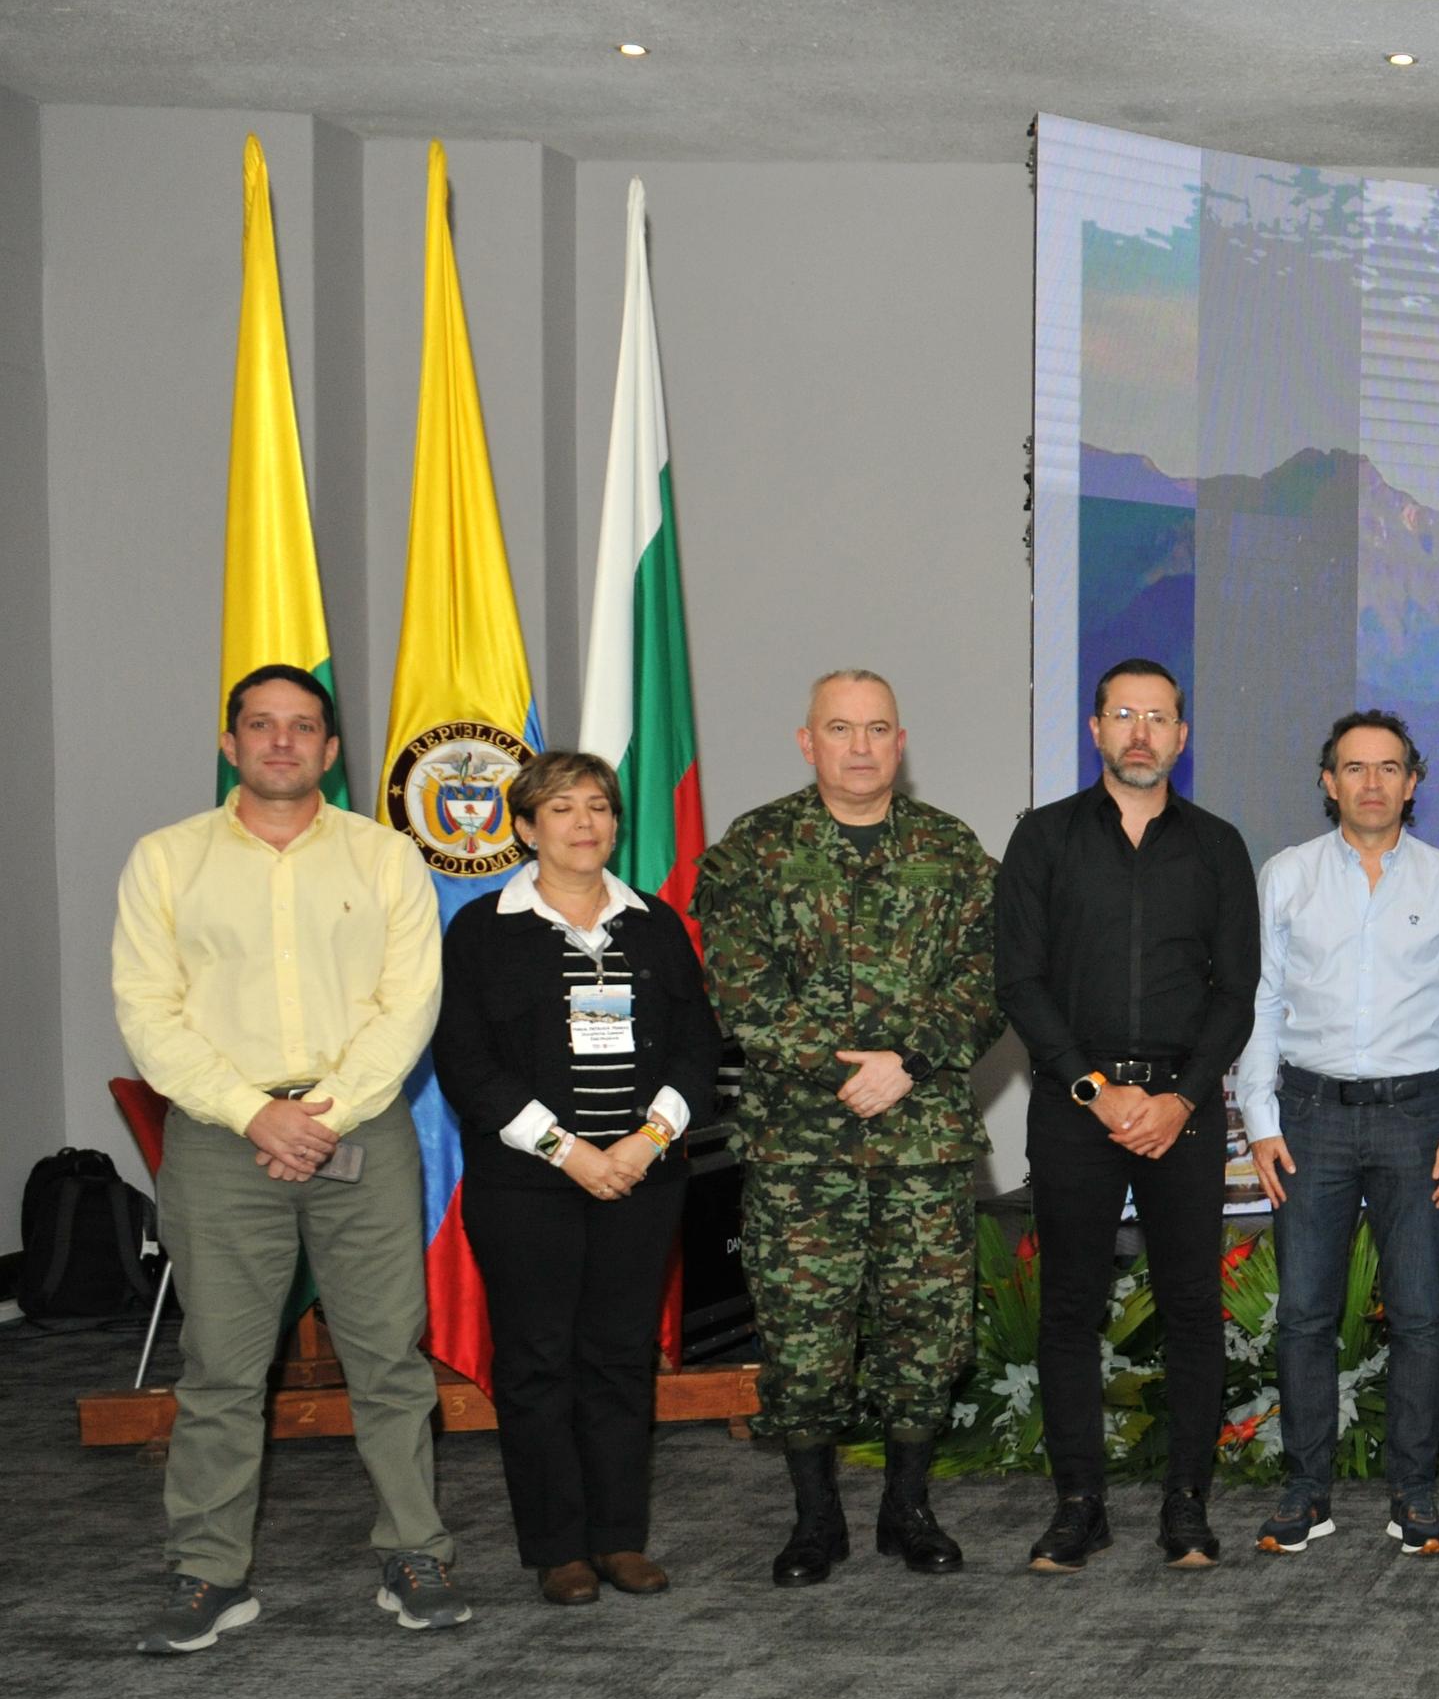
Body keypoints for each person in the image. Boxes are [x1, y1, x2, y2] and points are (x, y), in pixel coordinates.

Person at [110, 663, 463, 1652]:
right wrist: (255, 1113)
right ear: (230, 745)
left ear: (330, 749)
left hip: (363, 1133)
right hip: (224, 1143)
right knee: (221, 1366)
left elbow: (410, 1004)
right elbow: (149, 1012)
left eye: (300, 727)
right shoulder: (166, 860)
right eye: (259, 726)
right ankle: (210, 1572)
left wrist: (326, 1111)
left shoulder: (384, 857)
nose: (280, 742)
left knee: (388, 1359)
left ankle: (414, 1552)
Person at [695, 668, 1003, 1588]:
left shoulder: (952, 852)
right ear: (807, 741)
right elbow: (740, 995)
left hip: (923, 1141)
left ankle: (907, 1509)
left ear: (900, 744)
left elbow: (990, 980)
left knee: (927, 1330)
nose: (861, 746)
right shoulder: (751, 851)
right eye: (841, 728)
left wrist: (905, 1059)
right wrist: (851, 1066)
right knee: (801, 1334)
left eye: (877, 729)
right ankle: (814, 1517)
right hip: (800, 1146)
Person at [431, 748, 721, 1605]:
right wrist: (570, 1151)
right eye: (561, 809)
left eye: (597, 806)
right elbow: (466, 1062)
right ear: (524, 828)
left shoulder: (655, 924)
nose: (584, 823)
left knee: (622, 1356)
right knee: (536, 1360)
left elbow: (696, 1044)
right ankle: (557, 1546)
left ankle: (620, 1537)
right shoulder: (484, 929)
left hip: (642, 1177)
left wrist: (644, 1142)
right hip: (526, 1184)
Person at [997, 657, 1260, 1575]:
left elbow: (1238, 993)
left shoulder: (1219, 846)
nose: (1141, 731)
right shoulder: (1045, 839)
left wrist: (1182, 1096)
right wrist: (1094, 1090)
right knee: (1070, 1307)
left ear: (1182, 737)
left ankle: (1187, 1504)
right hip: (1078, 1106)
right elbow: (1018, 983)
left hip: (1183, 1107)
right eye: (1123, 714)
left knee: (1192, 1305)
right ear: (1097, 729)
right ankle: (1079, 1505)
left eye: (1159, 717)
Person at [1235, 709, 1439, 1560]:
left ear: (1413, 782)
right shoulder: (1287, 876)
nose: (1372, 782)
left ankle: (1413, 1495)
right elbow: (1261, 1003)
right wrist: (1259, 1120)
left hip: (1417, 1119)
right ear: (1327, 780)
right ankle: (1306, 1493)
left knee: (1418, 1315)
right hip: (1308, 1118)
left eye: (1389, 768)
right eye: (1354, 767)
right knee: (1305, 1314)